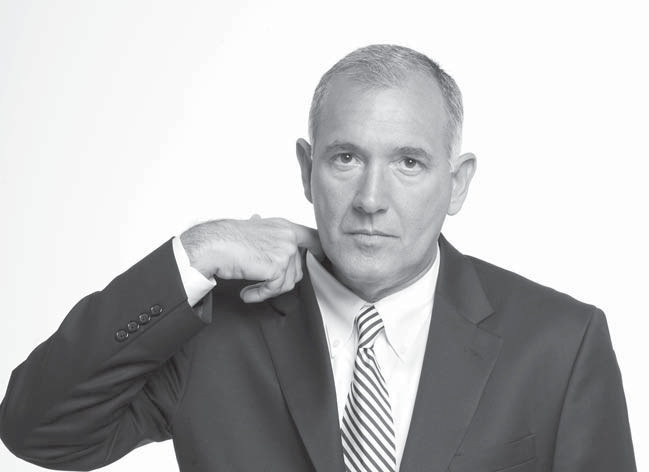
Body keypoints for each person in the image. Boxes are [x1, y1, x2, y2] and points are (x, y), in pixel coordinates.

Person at [0, 44, 636, 472]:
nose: (370, 199)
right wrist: (190, 255)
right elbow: (38, 429)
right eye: (346, 158)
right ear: (307, 170)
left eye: (408, 163)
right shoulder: (213, 331)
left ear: (457, 183)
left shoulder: (560, 343)